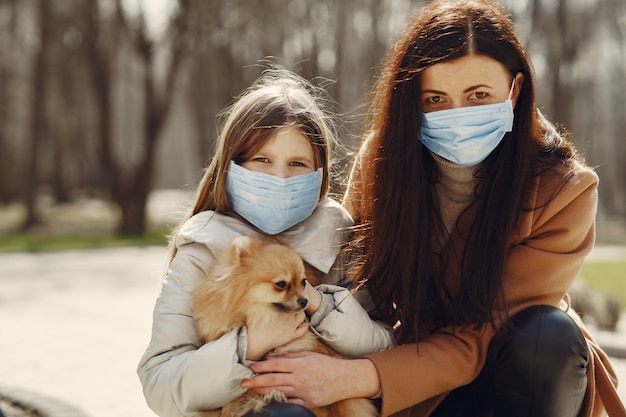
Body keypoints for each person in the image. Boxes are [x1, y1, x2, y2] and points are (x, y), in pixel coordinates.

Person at [241, 1, 625, 417]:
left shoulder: (564, 190)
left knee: (545, 336)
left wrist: (353, 377)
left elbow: (482, 335)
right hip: (404, 378)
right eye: (436, 98)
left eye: (479, 95)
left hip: (509, 379)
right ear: (413, 100)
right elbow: (349, 287)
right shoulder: (383, 163)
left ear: (514, 91)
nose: (457, 115)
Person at [136, 68, 395, 417]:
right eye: (262, 160)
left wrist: (321, 308)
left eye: (297, 163)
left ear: (320, 175)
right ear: (232, 166)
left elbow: (385, 344)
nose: (280, 177)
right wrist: (251, 345)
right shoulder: (204, 246)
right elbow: (161, 384)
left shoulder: (341, 238)